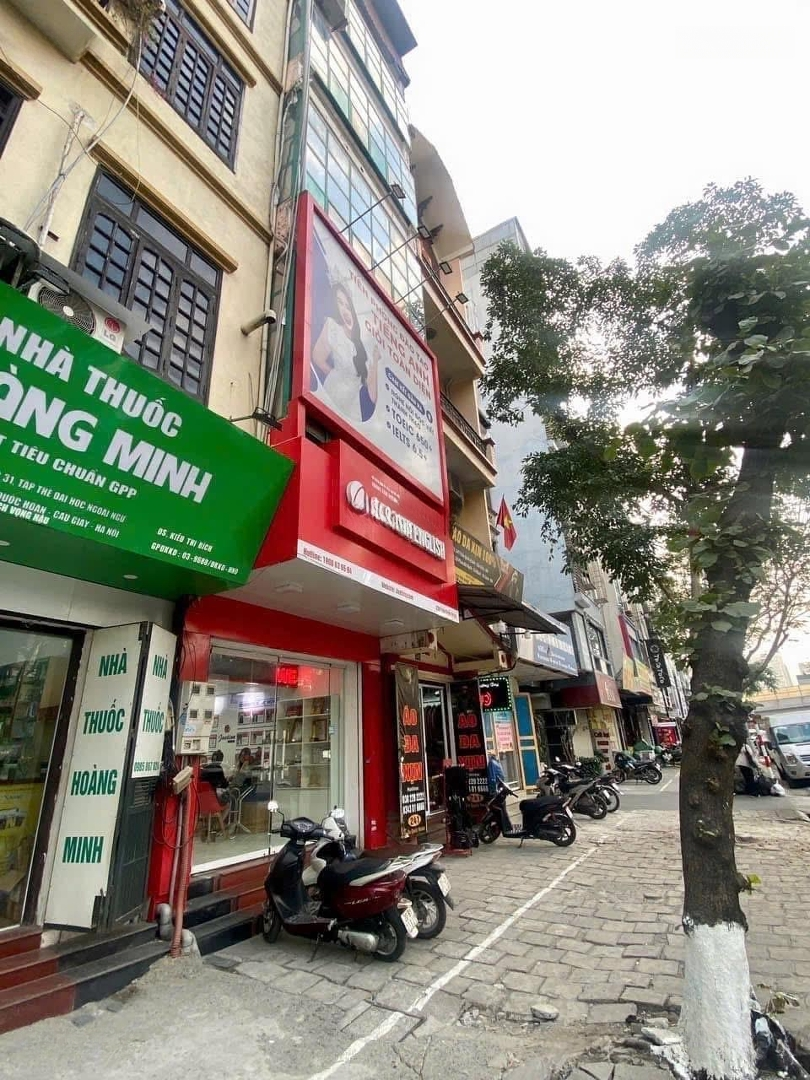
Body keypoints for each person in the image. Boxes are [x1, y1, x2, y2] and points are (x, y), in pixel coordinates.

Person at [311, 282, 378, 422]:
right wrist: (336, 377)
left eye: (348, 306)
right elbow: (317, 357)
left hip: (353, 415)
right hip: (330, 401)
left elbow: (372, 395)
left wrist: (376, 359)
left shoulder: (363, 346)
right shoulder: (333, 327)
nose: (345, 310)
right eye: (340, 303)